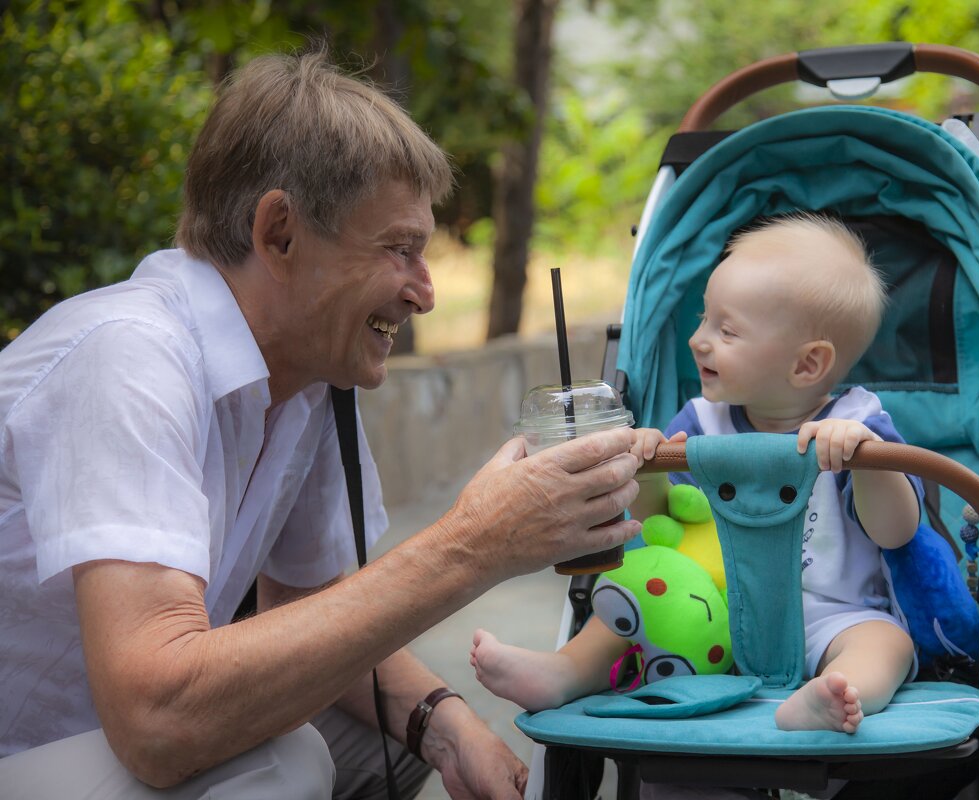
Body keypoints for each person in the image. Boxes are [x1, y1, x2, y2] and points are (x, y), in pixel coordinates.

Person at [0, 48, 645, 800]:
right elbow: (158, 719)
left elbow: (310, 613)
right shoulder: (129, 359)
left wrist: (445, 725)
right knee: (291, 762)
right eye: (400, 250)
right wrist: (478, 542)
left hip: (98, 741)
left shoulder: (300, 380)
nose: (426, 294)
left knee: (391, 739)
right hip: (55, 743)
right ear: (279, 233)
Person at [471, 213, 922, 735]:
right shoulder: (701, 424)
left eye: (725, 330)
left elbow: (898, 532)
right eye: (704, 319)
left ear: (806, 365)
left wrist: (867, 464)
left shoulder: (857, 423)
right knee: (639, 589)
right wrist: (651, 467)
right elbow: (654, 527)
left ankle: (834, 694)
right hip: (710, 610)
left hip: (830, 617)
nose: (697, 340)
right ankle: (565, 671)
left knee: (887, 643)